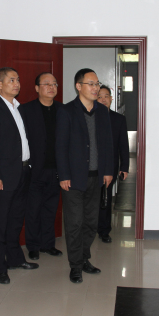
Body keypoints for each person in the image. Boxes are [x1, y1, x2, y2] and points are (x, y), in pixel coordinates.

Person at [0, 67, 39, 284]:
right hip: (3, 176)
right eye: (12, 80)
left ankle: (15, 259)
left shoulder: (19, 108)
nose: (17, 84)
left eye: (18, 80)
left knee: (15, 219)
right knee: (0, 221)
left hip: (23, 171)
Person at [56, 68, 113, 284]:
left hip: (96, 177)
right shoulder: (67, 111)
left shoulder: (102, 112)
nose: (95, 88)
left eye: (97, 84)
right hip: (73, 178)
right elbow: (61, 146)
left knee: (91, 222)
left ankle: (84, 258)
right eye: (91, 84)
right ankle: (75, 266)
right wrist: (63, 175)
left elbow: (107, 144)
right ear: (78, 86)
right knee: (74, 223)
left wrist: (108, 170)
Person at [19, 72, 64, 260]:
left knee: (50, 209)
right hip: (34, 169)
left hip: (57, 170)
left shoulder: (63, 110)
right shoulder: (25, 110)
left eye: (54, 84)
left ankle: (48, 244)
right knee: (33, 210)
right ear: (37, 88)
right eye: (46, 84)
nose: (51, 87)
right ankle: (33, 246)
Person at [96, 86, 130, 243]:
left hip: (110, 166)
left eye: (106, 96)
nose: (103, 99)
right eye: (99, 96)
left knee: (106, 198)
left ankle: (104, 230)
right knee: (91, 199)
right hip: (92, 166)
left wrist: (124, 167)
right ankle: (90, 228)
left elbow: (123, 145)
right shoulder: (91, 117)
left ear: (111, 99)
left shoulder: (118, 119)